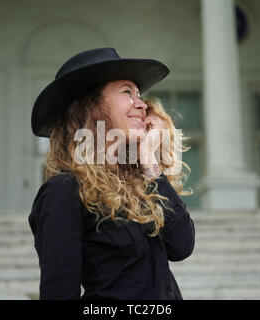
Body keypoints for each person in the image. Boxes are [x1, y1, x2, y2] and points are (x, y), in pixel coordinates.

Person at [28, 47, 195, 300]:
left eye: (139, 94)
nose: (141, 104)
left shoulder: (140, 181)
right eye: (127, 92)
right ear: (90, 108)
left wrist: (149, 159)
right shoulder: (64, 191)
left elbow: (181, 246)